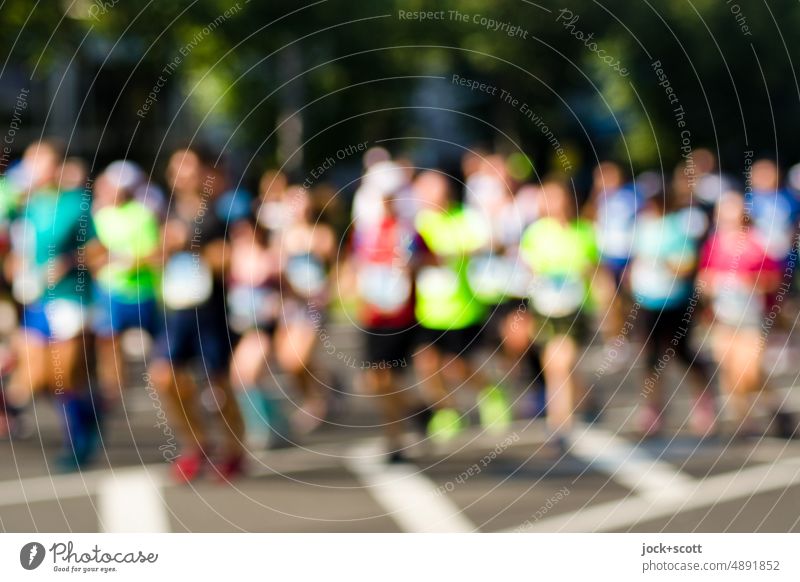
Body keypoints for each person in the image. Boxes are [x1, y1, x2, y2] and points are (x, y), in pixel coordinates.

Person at [4, 139, 102, 471]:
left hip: (70, 299)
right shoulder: (27, 207)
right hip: (36, 299)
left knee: (64, 375)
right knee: (40, 377)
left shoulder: (78, 205)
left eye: (41, 162)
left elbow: (98, 252)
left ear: (57, 167)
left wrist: (67, 262)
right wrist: (14, 265)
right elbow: (19, 249)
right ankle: (89, 413)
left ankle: (78, 442)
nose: (34, 170)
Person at [148, 147, 244, 482]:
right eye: (174, 168)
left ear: (205, 173)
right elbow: (156, 257)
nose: (179, 174)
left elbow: (227, 260)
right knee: (163, 376)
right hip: (176, 309)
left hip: (211, 310)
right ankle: (196, 444)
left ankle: (234, 450)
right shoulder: (168, 212)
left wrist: (191, 245)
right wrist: (159, 251)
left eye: (186, 167)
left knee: (217, 387)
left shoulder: (222, 213)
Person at [412, 170, 511, 444]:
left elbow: (488, 245)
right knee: (426, 364)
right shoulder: (419, 222)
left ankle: (489, 391)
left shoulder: (465, 219)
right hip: (428, 310)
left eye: (438, 192)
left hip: (462, 309)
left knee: (455, 367)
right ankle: (448, 410)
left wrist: (455, 253)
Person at [698, 193, 797, 438]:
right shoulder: (714, 243)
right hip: (723, 318)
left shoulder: (757, 242)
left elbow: (774, 280)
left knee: (749, 373)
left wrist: (746, 282)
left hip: (751, 317)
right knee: (729, 371)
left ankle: (775, 406)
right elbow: (703, 277)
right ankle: (743, 421)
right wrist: (709, 285)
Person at [629, 182, 714, 438]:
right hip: (646, 301)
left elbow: (688, 264)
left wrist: (666, 263)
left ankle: (704, 403)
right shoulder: (642, 226)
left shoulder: (678, 226)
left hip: (675, 299)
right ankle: (653, 409)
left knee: (683, 353)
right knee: (650, 359)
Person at [519, 179, 597, 450]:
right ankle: (571, 410)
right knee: (556, 365)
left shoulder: (584, 231)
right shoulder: (535, 234)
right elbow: (525, 273)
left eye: (557, 196)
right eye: (547, 198)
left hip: (575, 309)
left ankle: (561, 422)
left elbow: (596, 273)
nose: (553, 203)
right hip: (545, 309)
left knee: (562, 362)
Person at [353, 190, 419, 461]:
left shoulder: (407, 232)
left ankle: (395, 440)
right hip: (373, 315)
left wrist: (408, 266)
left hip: (400, 316)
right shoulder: (365, 233)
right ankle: (416, 410)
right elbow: (355, 266)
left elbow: (422, 261)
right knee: (374, 381)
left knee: (390, 377)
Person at [90, 161, 161, 409]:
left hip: (143, 290)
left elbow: (154, 253)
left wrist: (132, 261)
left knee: (159, 343)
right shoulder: (99, 214)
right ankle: (115, 392)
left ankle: (161, 383)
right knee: (109, 341)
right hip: (110, 289)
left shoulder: (142, 213)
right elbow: (92, 251)